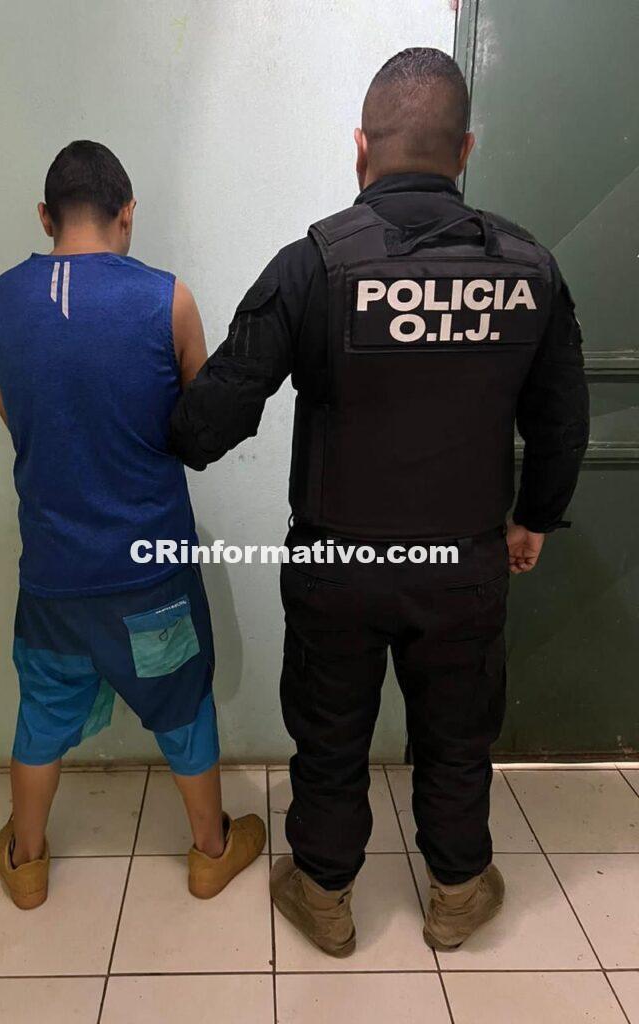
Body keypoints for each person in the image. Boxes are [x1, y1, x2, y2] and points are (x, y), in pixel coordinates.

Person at [170, 49, 589, 955]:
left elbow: (208, 425)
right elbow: (563, 420)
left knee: (329, 737)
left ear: (361, 147)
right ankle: (457, 894)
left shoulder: (312, 265)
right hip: (465, 564)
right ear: (465, 150)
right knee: (458, 739)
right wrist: (532, 519)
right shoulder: (530, 269)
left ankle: (324, 897)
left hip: (338, 565)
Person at [0, 140, 265, 910]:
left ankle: (27, 862)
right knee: (183, 707)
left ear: (45, 216)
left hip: (54, 573)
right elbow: (199, 423)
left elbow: (21, 425)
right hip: (150, 573)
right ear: (127, 213)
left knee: (42, 711)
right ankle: (210, 854)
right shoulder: (168, 301)